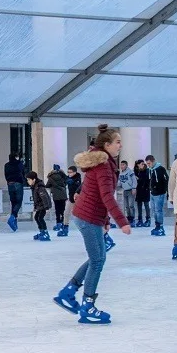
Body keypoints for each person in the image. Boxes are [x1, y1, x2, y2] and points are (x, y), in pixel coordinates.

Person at [53, 124, 131, 324]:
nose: (120, 145)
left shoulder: (104, 163)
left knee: (98, 257)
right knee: (97, 260)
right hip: (87, 217)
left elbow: (99, 194)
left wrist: (105, 220)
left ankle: (68, 292)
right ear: (107, 144)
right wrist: (121, 222)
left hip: (90, 216)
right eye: (118, 142)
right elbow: (107, 197)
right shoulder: (104, 166)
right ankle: (87, 305)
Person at [145, 155, 168, 237]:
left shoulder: (160, 169)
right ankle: (157, 225)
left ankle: (161, 227)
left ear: (153, 161)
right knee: (154, 210)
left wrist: (166, 191)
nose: (148, 165)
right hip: (152, 193)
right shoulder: (150, 170)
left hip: (159, 193)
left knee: (158, 210)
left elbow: (166, 180)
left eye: (149, 163)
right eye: (147, 164)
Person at [26, 171, 52, 241]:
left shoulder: (39, 187)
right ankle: (42, 231)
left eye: (29, 180)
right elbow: (35, 198)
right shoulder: (34, 187)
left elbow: (44, 197)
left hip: (43, 205)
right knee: (36, 217)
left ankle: (46, 233)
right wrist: (35, 207)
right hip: (40, 205)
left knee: (40, 218)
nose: (28, 181)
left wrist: (46, 206)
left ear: (33, 179)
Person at [3, 152, 26, 231]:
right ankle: (12, 217)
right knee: (18, 202)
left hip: (10, 183)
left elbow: (5, 175)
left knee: (13, 202)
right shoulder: (19, 164)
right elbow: (23, 172)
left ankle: (14, 222)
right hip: (18, 183)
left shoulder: (6, 165)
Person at [46, 164, 68, 231]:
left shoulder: (51, 176)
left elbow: (47, 185)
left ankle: (58, 223)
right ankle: (64, 223)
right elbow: (66, 182)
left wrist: (52, 186)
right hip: (63, 194)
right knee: (63, 209)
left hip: (56, 195)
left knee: (57, 210)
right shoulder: (63, 175)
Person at [62, 165, 81, 238]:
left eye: (70, 172)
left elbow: (78, 186)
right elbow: (64, 179)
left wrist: (73, 182)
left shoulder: (78, 179)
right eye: (68, 172)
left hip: (77, 199)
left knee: (80, 215)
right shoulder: (68, 178)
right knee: (66, 213)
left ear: (75, 172)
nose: (69, 174)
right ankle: (65, 227)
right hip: (70, 199)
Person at [116, 160, 136, 225]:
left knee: (131, 205)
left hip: (130, 190)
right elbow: (120, 182)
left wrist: (134, 188)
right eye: (121, 165)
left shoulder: (130, 172)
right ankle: (129, 218)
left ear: (126, 165)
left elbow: (134, 180)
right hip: (125, 191)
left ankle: (132, 218)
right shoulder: (121, 174)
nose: (122, 166)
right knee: (126, 206)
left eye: (123, 165)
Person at [133, 159, 151, 228]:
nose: (143, 165)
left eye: (143, 164)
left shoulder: (147, 170)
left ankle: (148, 219)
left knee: (146, 205)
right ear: (138, 165)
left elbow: (147, 180)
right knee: (139, 205)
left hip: (145, 190)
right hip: (139, 190)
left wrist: (139, 179)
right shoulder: (136, 171)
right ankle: (140, 219)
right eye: (141, 164)